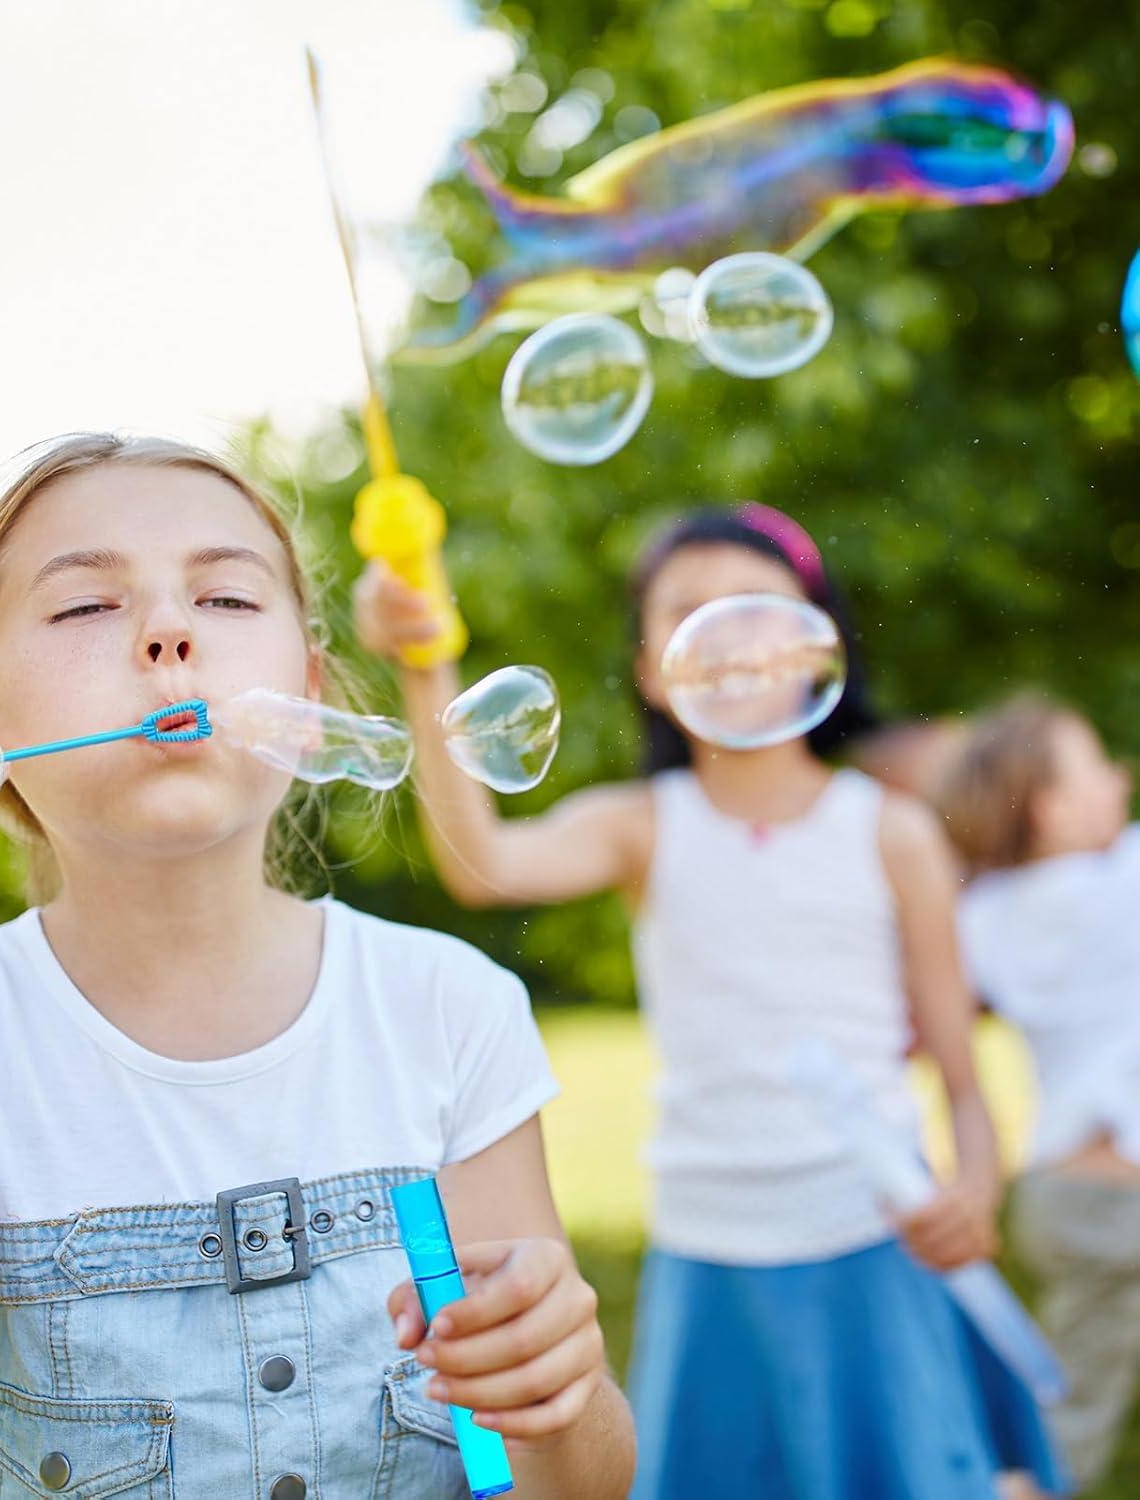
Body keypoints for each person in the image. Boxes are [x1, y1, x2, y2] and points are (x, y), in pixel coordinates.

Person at [0, 434, 636, 1498]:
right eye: (87, 606)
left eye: (227, 601)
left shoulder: (449, 1009)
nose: (170, 631)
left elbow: (546, 1481)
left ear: (310, 688)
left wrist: (560, 1396)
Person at [356, 501, 1065, 1498]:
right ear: (654, 671)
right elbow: (485, 863)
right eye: (692, 612)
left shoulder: (892, 831)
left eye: (756, 609)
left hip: (872, 1232)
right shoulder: (647, 825)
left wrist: (977, 1187)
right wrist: (423, 663)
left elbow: (961, 1069)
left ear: (820, 646)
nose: (728, 636)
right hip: (711, 1246)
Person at [938, 693, 1140, 1494]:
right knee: (1066, 1434)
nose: (1121, 779)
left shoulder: (982, 912)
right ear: (1054, 811)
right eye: (1098, 768)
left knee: (1070, 1398)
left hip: (1058, 1189)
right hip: (1118, 1196)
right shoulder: (1125, 882)